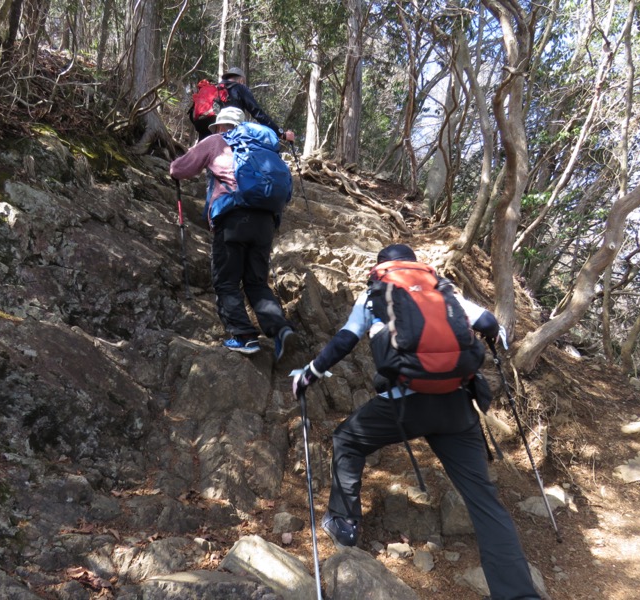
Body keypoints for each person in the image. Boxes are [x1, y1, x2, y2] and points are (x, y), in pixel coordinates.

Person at [292, 243, 540, 600]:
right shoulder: (443, 290)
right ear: (415, 264)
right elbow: (488, 323)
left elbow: (345, 340)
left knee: (348, 438)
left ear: (381, 267)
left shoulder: (375, 294)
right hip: (457, 407)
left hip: (403, 406)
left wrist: (309, 374)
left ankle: (344, 523)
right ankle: (519, 594)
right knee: (484, 502)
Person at [170, 106, 295, 359]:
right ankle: (280, 329)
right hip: (266, 221)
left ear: (221, 126)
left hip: (233, 217)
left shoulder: (216, 141)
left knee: (226, 281)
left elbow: (180, 169)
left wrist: (172, 167)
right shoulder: (266, 149)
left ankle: (244, 336)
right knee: (256, 282)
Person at [189, 67, 295, 143]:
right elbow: (257, 113)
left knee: (206, 153)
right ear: (240, 79)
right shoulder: (239, 87)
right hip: (225, 126)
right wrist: (280, 133)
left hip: (201, 122)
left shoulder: (215, 87)